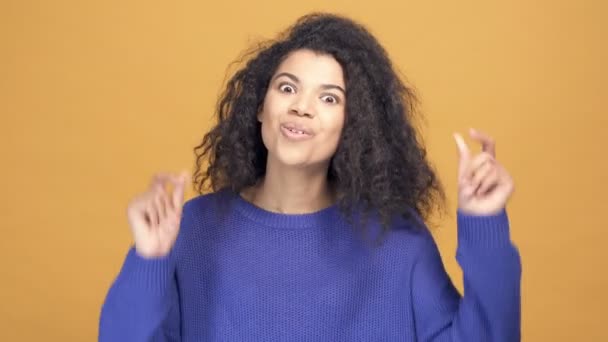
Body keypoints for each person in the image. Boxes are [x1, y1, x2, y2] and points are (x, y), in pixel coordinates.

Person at [99, 13, 521, 342]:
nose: (302, 107)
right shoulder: (192, 229)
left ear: (353, 124)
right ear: (260, 108)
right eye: (287, 88)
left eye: (329, 97)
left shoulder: (396, 239)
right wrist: (147, 261)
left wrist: (485, 226)